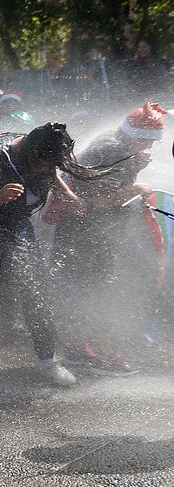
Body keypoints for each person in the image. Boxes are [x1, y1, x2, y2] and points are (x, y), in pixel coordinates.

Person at [0, 122, 111, 387]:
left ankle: (47, 361)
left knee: (37, 293)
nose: (51, 169)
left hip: (14, 226)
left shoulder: (41, 151)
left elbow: (51, 175)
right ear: (33, 156)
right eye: (48, 164)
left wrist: (68, 196)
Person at [52, 102, 168, 375]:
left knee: (85, 290)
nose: (149, 148)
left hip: (82, 233)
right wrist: (137, 187)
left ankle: (79, 352)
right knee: (96, 292)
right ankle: (98, 356)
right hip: (85, 235)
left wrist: (135, 170)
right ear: (138, 136)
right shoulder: (114, 150)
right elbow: (102, 200)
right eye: (148, 142)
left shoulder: (114, 142)